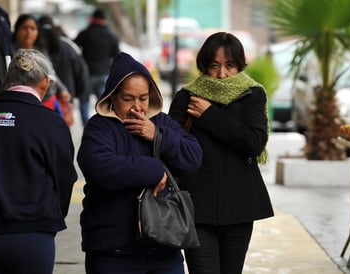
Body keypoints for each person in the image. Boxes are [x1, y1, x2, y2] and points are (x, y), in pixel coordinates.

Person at [77, 52, 202, 274]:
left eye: (143, 98)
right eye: (128, 99)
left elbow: (193, 158)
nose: (137, 107)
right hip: (113, 252)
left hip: (165, 249)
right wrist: (153, 169)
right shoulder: (99, 127)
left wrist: (158, 136)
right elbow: (99, 168)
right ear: (112, 97)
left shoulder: (161, 122)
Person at [168, 32, 274, 274]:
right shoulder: (187, 97)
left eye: (230, 65)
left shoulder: (252, 94)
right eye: (215, 65)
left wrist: (209, 116)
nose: (222, 73)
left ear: (239, 65)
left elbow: (254, 143)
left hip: (239, 207)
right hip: (197, 208)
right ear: (205, 65)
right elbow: (173, 147)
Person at [0, 48, 78, 274]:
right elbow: (64, 179)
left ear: (6, 79)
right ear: (45, 83)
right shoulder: (52, 124)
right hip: (32, 237)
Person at [12, 13, 71, 117]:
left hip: (47, 100)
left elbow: (51, 72)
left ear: (38, 32)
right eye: (25, 28)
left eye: (33, 28)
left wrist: (62, 89)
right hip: (21, 104)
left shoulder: (41, 51)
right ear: (17, 30)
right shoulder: (10, 53)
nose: (29, 32)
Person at [74, 8, 120, 125]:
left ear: (93, 19)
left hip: (87, 74)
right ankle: (102, 130)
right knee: (104, 106)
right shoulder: (111, 35)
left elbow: (73, 47)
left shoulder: (85, 33)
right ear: (104, 20)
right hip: (104, 75)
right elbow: (117, 56)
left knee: (84, 102)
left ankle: (87, 128)